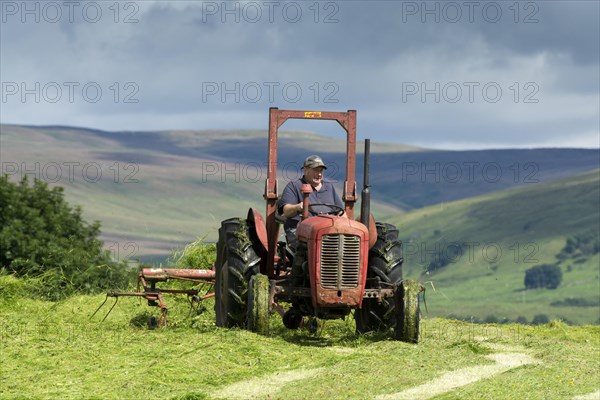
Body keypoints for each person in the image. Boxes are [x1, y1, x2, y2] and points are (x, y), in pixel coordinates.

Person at [278, 155, 345, 250]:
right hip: (301, 231)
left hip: (328, 231)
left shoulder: (329, 187)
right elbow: (286, 211)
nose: (319, 174)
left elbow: (341, 212)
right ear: (305, 170)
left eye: (321, 171)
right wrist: (298, 207)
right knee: (309, 249)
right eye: (316, 170)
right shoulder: (294, 186)